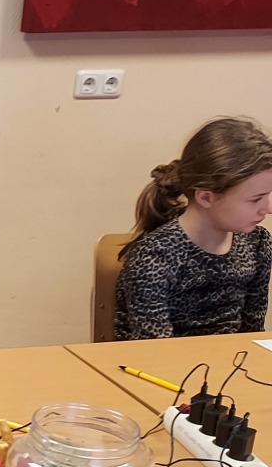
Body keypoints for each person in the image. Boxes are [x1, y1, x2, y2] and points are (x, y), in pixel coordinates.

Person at [115, 117, 272, 340]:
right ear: (206, 197)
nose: (268, 208)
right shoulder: (155, 256)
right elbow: (153, 348)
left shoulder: (258, 243)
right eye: (256, 199)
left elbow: (251, 332)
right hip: (165, 359)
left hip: (232, 358)